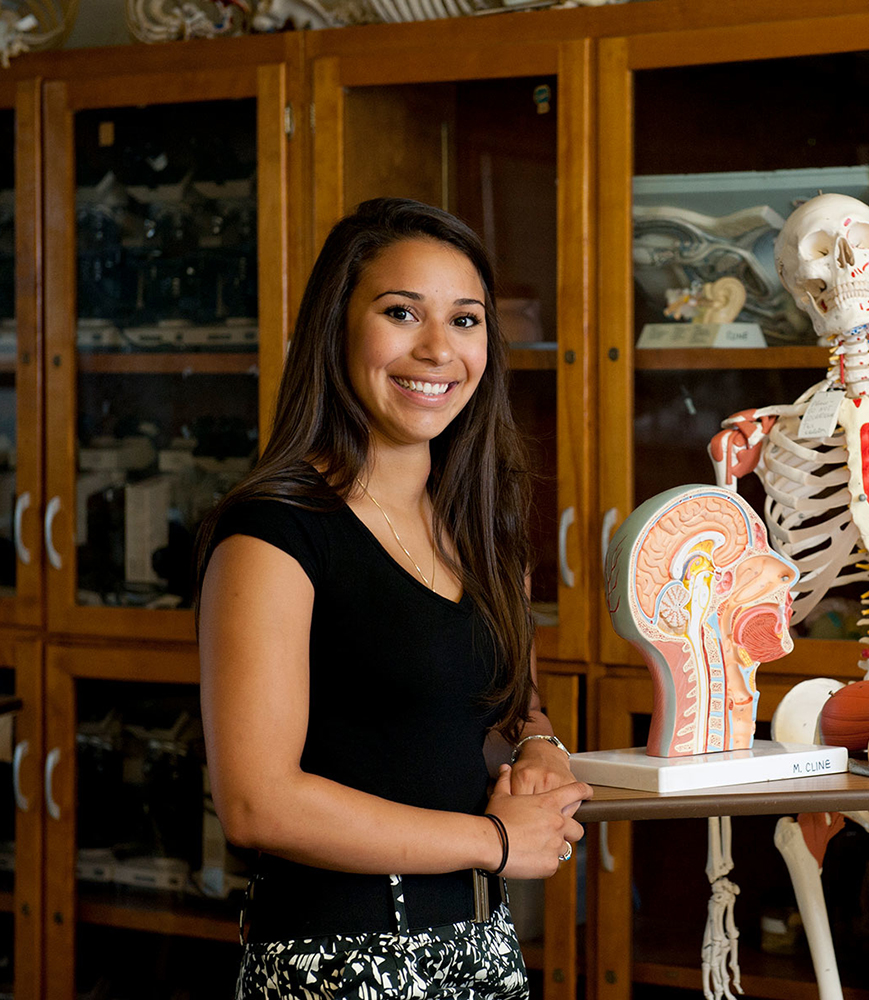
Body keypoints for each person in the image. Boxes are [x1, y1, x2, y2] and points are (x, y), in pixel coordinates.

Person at [197, 197, 591, 999]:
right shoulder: (272, 532)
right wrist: (491, 839)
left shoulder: (484, 524)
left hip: (482, 949)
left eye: (466, 320)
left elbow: (509, 707)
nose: (438, 349)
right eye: (401, 312)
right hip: (334, 965)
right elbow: (255, 802)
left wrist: (538, 751)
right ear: (338, 328)